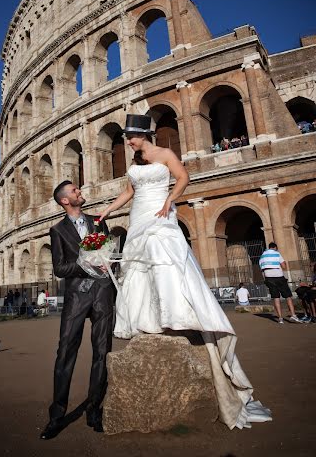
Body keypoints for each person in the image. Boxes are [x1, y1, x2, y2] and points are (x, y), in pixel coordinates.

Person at [99, 113, 271, 430]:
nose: (128, 142)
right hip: (139, 215)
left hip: (160, 212)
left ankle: (173, 315)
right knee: (140, 266)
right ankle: (147, 319)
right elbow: (129, 191)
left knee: (164, 262)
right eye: (126, 138)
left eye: (131, 137)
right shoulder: (134, 161)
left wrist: (169, 201)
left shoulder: (164, 153)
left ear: (142, 134)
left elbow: (183, 178)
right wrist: (108, 210)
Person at [41, 180, 114, 440]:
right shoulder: (58, 230)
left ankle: (94, 408)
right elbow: (60, 268)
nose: (79, 192)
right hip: (76, 297)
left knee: (102, 350)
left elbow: (108, 249)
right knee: (65, 352)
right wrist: (87, 263)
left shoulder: (98, 220)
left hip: (103, 293)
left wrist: (106, 262)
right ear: (64, 201)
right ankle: (57, 416)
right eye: (74, 191)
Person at [259, 242, 302, 324]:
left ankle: (280, 318)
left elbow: (262, 270)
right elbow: (283, 266)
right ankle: (293, 315)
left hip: (269, 278)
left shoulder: (262, 256)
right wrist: (284, 263)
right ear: (275, 247)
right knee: (288, 296)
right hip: (279, 277)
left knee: (276, 298)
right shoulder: (277, 254)